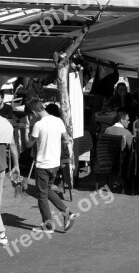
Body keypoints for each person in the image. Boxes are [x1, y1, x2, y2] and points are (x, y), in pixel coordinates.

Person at [22, 99, 77, 234]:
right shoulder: (58, 121)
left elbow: (28, 144)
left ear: (34, 112)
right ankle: (66, 212)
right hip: (55, 163)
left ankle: (48, 226)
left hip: (43, 164)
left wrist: (26, 128)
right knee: (48, 190)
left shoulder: (38, 125)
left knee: (41, 195)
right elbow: (66, 138)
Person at [0, 105, 20, 246]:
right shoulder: (6, 124)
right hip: (1, 167)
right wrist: (16, 165)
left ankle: (1, 233)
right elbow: (13, 146)